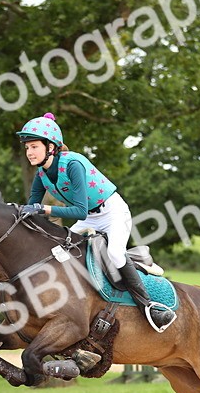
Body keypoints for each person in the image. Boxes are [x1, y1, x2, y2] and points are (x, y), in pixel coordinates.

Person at [16, 113, 176, 332]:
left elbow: (80, 211)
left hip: (112, 212)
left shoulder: (73, 164)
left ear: (50, 146)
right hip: (90, 216)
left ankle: (150, 306)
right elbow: (31, 208)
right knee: (59, 251)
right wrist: (15, 212)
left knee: (115, 254)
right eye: (27, 148)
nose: (29, 152)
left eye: (34, 146)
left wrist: (45, 209)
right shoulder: (41, 174)